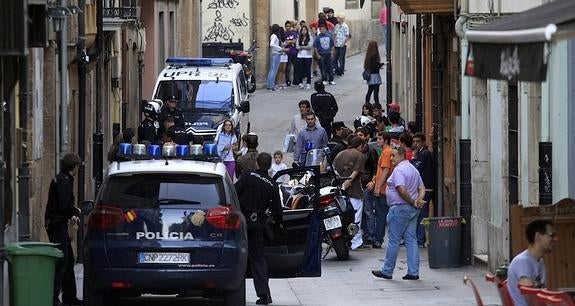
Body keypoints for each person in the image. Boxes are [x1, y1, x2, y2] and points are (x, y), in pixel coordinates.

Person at [235, 152, 283, 305]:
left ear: (257, 163)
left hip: (240, 222)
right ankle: (264, 295)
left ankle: (227, 291)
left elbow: (234, 192)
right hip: (258, 224)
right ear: (269, 166)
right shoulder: (272, 184)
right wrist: (279, 223)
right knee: (258, 259)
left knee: (235, 256)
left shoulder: (248, 175)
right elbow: (277, 209)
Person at [372, 146, 426, 280]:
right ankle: (413, 272)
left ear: (401, 155)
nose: (391, 158)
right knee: (411, 239)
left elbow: (401, 189)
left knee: (394, 240)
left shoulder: (399, 170)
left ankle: (387, 270)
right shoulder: (413, 169)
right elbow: (422, 187)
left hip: (400, 208)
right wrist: (418, 199)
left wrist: (413, 201)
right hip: (412, 210)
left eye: (393, 155)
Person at [44, 153, 84, 306]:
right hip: (56, 224)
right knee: (62, 260)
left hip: (58, 222)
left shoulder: (62, 179)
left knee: (69, 260)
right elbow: (64, 206)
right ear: (74, 167)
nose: (78, 169)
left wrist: (71, 214)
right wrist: (76, 212)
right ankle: (54, 298)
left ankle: (70, 296)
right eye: (77, 166)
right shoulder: (64, 181)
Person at [508, 219, 557, 306]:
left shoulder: (538, 261)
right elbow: (531, 299)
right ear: (538, 236)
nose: (556, 239)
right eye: (552, 235)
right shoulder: (523, 262)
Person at [333, 136, 367, 250]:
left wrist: (341, 184)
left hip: (340, 190)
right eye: (363, 146)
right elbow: (356, 172)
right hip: (354, 191)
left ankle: (344, 240)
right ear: (360, 145)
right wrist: (348, 181)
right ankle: (356, 241)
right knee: (356, 217)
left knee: (343, 217)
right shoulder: (359, 155)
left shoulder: (340, 154)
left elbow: (334, 170)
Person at [355, 127, 379, 247]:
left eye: (360, 135)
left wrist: (373, 181)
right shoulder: (355, 150)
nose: (358, 137)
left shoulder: (371, 151)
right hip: (357, 185)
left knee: (368, 211)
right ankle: (363, 235)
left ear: (366, 136)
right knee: (360, 212)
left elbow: (376, 167)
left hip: (366, 184)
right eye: (357, 134)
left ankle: (371, 236)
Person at [411, 132, 436, 247]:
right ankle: (420, 239)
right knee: (422, 213)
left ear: (423, 142)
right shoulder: (422, 153)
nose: (415, 144)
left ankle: (420, 240)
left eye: (418, 142)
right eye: (414, 142)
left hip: (426, 187)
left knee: (422, 213)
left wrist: (412, 158)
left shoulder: (424, 154)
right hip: (426, 187)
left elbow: (416, 166)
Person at [372, 131, 393, 248]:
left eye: (380, 138)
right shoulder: (387, 152)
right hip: (386, 188)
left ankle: (378, 239)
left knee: (381, 215)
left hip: (383, 189)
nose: (377, 140)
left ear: (385, 140)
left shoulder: (386, 152)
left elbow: (385, 170)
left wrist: (378, 186)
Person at [267, 24, 287, 91]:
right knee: (274, 70)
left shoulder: (273, 36)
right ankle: (271, 86)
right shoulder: (274, 36)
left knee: (272, 70)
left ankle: (269, 85)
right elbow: (272, 44)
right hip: (276, 54)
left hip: (275, 53)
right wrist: (281, 48)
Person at [364, 41, 384, 105]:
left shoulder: (368, 54)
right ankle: (377, 105)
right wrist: (381, 64)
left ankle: (366, 103)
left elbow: (370, 65)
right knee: (376, 92)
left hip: (370, 76)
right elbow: (375, 65)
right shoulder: (375, 55)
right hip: (375, 76)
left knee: (369, 91)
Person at [296, 25, 314, 89]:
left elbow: (310, 46)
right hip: (300, 56)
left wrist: (302, 47)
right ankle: (300, 82)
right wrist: (303, 47)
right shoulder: (299, 38)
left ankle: (308, 83)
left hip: (308, 56)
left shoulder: (310, 38)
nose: (304, 31)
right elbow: (297, 47)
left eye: (305, 30)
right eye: (302, 30)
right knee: (300, 69)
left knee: (308, 69)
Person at [284, 20, 299, 86]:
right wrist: (291, 42)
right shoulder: (284, 34)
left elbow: (295, 41)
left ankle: (296, 80)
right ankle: (287, 81)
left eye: (289, 26)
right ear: (285, 27)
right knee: (287, 68)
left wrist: (289, 42)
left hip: (294, 52)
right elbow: (284, 43)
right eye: (287, 26)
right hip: (287, 53)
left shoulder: (294, 33)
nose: (288, 27)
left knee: (296, 66)